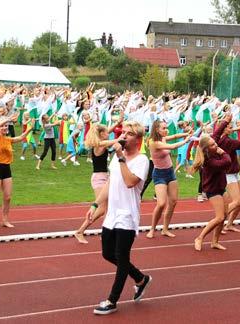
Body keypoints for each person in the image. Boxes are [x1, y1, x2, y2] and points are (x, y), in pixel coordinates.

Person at [86, 121, 151, 315]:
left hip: (127, 215)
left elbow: (130, 182)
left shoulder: (142, 160)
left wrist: (121, 157)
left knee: (122, 257)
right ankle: (141, 278)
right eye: (123, 132)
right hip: (112, 214)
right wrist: (96, 203)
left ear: (138, 140)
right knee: (108, 253)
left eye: (129, 134)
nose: (124, 136)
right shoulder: (115, 158)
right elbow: (109, 182)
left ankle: (111, 301)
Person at [74, 123, 119, 243]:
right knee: (101, 209)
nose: (108, 133)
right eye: (106, 132)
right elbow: (109, 142)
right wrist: (121, 137)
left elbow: (106, 132)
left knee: (108, 208)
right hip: (99, 179)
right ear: (101, 134)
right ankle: (80, 231)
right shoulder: (99, 145)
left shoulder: (100, 142)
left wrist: (118, 123)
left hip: (105, 177)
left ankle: (106, 234)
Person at [146, 120, 191, 238]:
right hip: (159, 174)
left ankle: (165, 229)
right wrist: (187, 141)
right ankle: (152, 229)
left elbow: (175, 136)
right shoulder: (153, 142)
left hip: (170, 172)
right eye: (164, 128)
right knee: (161, 203)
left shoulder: (163, 137)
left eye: (166, 128)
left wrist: (186, 134)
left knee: (173, 201)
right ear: (156, 129)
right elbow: (173, 146)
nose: (166, 130)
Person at [191, 132, 231, 251]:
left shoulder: (212, 150)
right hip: (212, 190)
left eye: (215, 143)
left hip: (221, 187)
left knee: (224, 216)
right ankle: (199, 238)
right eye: (213, 145)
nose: (216, 145)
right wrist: (223, 152)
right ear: (207, 149)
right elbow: (227, 161)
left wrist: (225, 121)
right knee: (219, 217)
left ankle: (215, 242)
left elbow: (217, 134)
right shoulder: (209, 161)